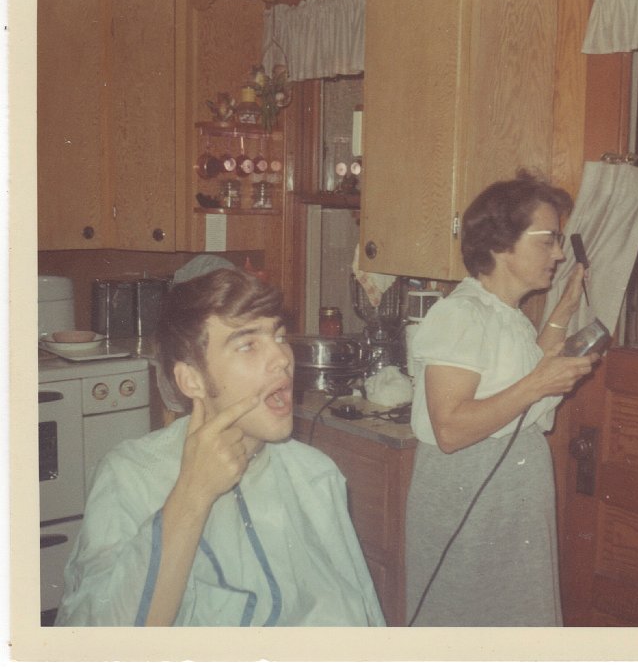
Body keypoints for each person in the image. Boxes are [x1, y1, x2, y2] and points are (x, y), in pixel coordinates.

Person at [56, 268, 385, 627]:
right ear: (192, 380)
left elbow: (365, 620)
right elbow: (100, 643)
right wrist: (191, 494)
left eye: (279, 335)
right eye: (248, 344)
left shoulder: (316, 475)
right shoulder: (130, 476)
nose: (282, 358)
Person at [405, 171, 598, 627]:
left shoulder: (505, 314)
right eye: (548, 240)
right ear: (500, 243)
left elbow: (530, 369)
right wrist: (540, 384)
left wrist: (566, 308)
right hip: (469, 497)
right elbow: (450, 429)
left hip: (510, 500)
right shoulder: (460, 315)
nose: (558, 252)